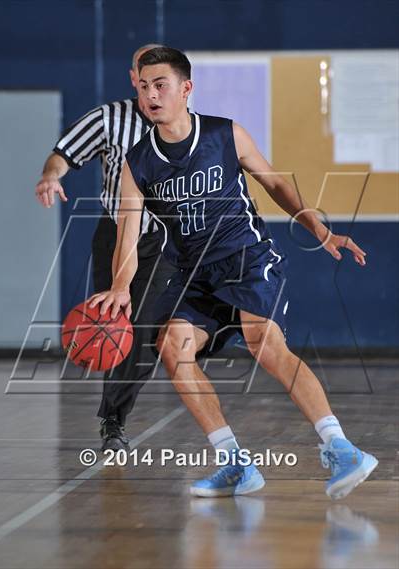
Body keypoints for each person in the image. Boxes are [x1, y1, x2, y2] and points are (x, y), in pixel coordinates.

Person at [90, 47, 378, 499]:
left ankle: (341, 448)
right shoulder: (137, 162)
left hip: (245, 258)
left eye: (160, 85)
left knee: (265, 343)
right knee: (172, 347)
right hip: (194, 274)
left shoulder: (225, 134)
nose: (151, 95)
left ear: (186, 89)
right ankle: (234, 462)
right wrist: (121, 287)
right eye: (144, 87)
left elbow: (275, 182)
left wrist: (320, 232)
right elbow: (127, 232)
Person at [35, 44, 174, 452]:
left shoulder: (187, 126)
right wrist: (50, 176)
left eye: (159, 79)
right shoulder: (108, 118)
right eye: (142, 76)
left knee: (146, 334)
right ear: (134, 78)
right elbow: (63, 154)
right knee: (116, 324)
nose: (150, 88)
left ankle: (117, 410)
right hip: (116, 234)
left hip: (165, 240)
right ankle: (113, 419)